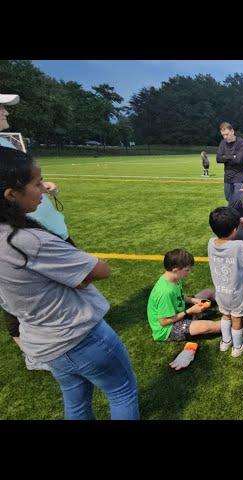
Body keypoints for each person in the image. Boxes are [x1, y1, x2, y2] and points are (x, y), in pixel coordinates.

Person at [0, 147, 139, 419]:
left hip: (42, 341)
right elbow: (100, 270)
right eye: (36, 183)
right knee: (122, 391)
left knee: (76, 402)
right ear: (11, 194)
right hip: (79, 335)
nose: (42, 189)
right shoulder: (27, 242)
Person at [1, 92, 74, 371]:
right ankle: (33, 351)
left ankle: (62, 335)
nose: (6, 113)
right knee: (19, 294)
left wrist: (41, 186)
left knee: (60, 285)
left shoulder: (7, 144)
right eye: (1, 108)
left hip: (45, 228)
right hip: (22, 235)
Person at [146, 249, 220, 370]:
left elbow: (180, 297)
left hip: (177, 312)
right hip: (167, 329)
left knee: (207, 292)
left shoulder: (173, 279)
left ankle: (228, 303)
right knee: (207, 326)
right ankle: (238, 322)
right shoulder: (165, 292)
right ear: (175, 269)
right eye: (187, 270)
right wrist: (189, 311)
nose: (189, 272)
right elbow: (164, 322)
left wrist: (194, 301)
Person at [208, 206, 243, 356]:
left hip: (221, 291)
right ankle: (237, 347)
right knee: (237, 318)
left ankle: (226, 342)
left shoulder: (211, 243)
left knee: (225, 314)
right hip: (238, 294)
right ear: (234, 230)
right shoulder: (239, 247)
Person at [216, 122, 243, 201]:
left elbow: (238, 160)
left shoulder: (242, 143)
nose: (225, 137)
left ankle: (242, 213)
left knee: (238, 200)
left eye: (227, 134)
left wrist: (225, 157)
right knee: (228, 199)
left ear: (232, 131)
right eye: (223, 135)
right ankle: (232, 213)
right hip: (227, 177)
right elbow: (218, 159)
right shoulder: (223, 143)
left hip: (239, 177)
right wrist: (232, 156)